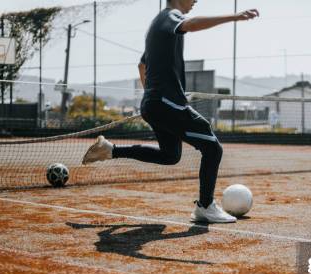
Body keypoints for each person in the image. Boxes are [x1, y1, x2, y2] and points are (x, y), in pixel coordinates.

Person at [82, 0, 259, 223]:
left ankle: (110, 150)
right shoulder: (169, 16)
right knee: (212, 148)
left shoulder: (157, 25)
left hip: (156, 104)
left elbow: (142, 66)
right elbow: (190, 24)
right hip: (167, 104)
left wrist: (152, 96)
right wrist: (235, 16)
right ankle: (205, 206)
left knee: (170, 155)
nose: (196, 0)